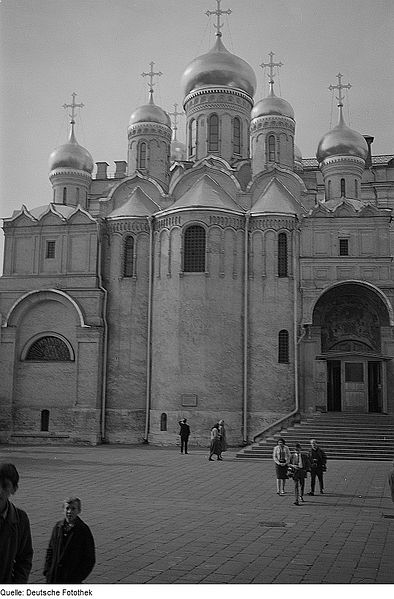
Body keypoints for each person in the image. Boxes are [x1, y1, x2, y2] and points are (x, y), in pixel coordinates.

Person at [43, 496, 95, 583]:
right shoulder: (58, 527)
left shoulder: (83, 530)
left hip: (71, 580)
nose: (69, 512)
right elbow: (50, 550)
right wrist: (47, 571)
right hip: (54, 578)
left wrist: (78, 577)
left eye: (73, 509)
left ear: (79, 511)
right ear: (63, 509)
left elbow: (89, 558)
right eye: (67, 508)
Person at [0, 463, 33, 583]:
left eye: (5, 486)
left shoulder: (20, 519)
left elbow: (24, 557)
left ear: (14, 489)